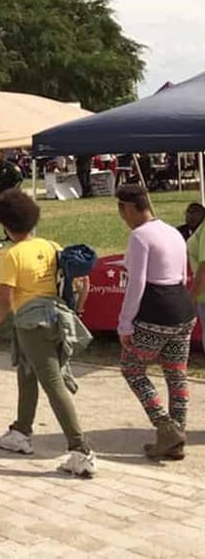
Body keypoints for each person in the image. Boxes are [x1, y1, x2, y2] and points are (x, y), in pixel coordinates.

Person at [0, 189, 96, 477]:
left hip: (31, 323)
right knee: (27, 374)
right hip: (57, 318)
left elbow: (4, 302)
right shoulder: (51, 245)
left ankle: (80, 450)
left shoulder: (12, 255)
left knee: (53, 384)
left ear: (4, 225)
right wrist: (78, 310)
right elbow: (83, 282)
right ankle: (21, 431)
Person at [117, 184, 196, 460]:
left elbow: (136, 284)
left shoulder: (140, 236)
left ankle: (166, 427)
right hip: (183, 309)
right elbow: (184, 274)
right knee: (176, 373)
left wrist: (125, 324)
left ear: (128, 208)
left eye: (121, 212)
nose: (123, 219)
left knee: (132, 369)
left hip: (155, 311)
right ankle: (177, 437)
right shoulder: (173, 232)